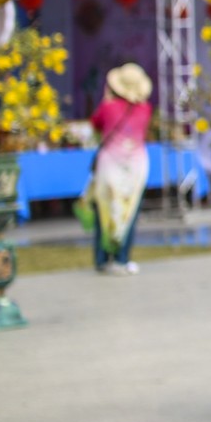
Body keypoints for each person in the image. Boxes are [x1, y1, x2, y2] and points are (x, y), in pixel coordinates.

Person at [84, 63, 153, 275]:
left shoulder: (107, 107)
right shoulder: (145, 109)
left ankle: (102, 258)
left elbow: (95, 125)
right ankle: (122, 259)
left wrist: (107, 100)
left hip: (109, 167)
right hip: (136, 167)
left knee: (105, 212)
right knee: (129, 211)